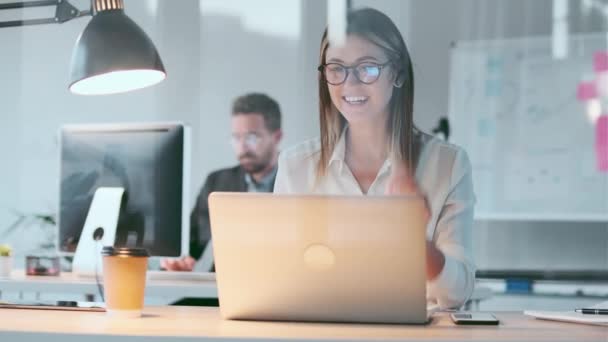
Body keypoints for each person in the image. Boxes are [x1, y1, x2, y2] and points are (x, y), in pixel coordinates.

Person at [274, 8, 475, 309]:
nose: (350, 83)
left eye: (367, 68)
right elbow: (279, 276)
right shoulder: (295, 166)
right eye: (336, 68)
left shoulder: (447, 165)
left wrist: (413, 238)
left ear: (397, 73)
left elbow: (457, 292)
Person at [162, 93, 283, 272]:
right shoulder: (218, 182)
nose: (242, 147)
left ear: (277, 137)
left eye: (252, 137)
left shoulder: (295, 182)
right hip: (222, 290)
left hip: (279, 288)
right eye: (236, 137)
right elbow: (190, 244)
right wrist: (176, 261)